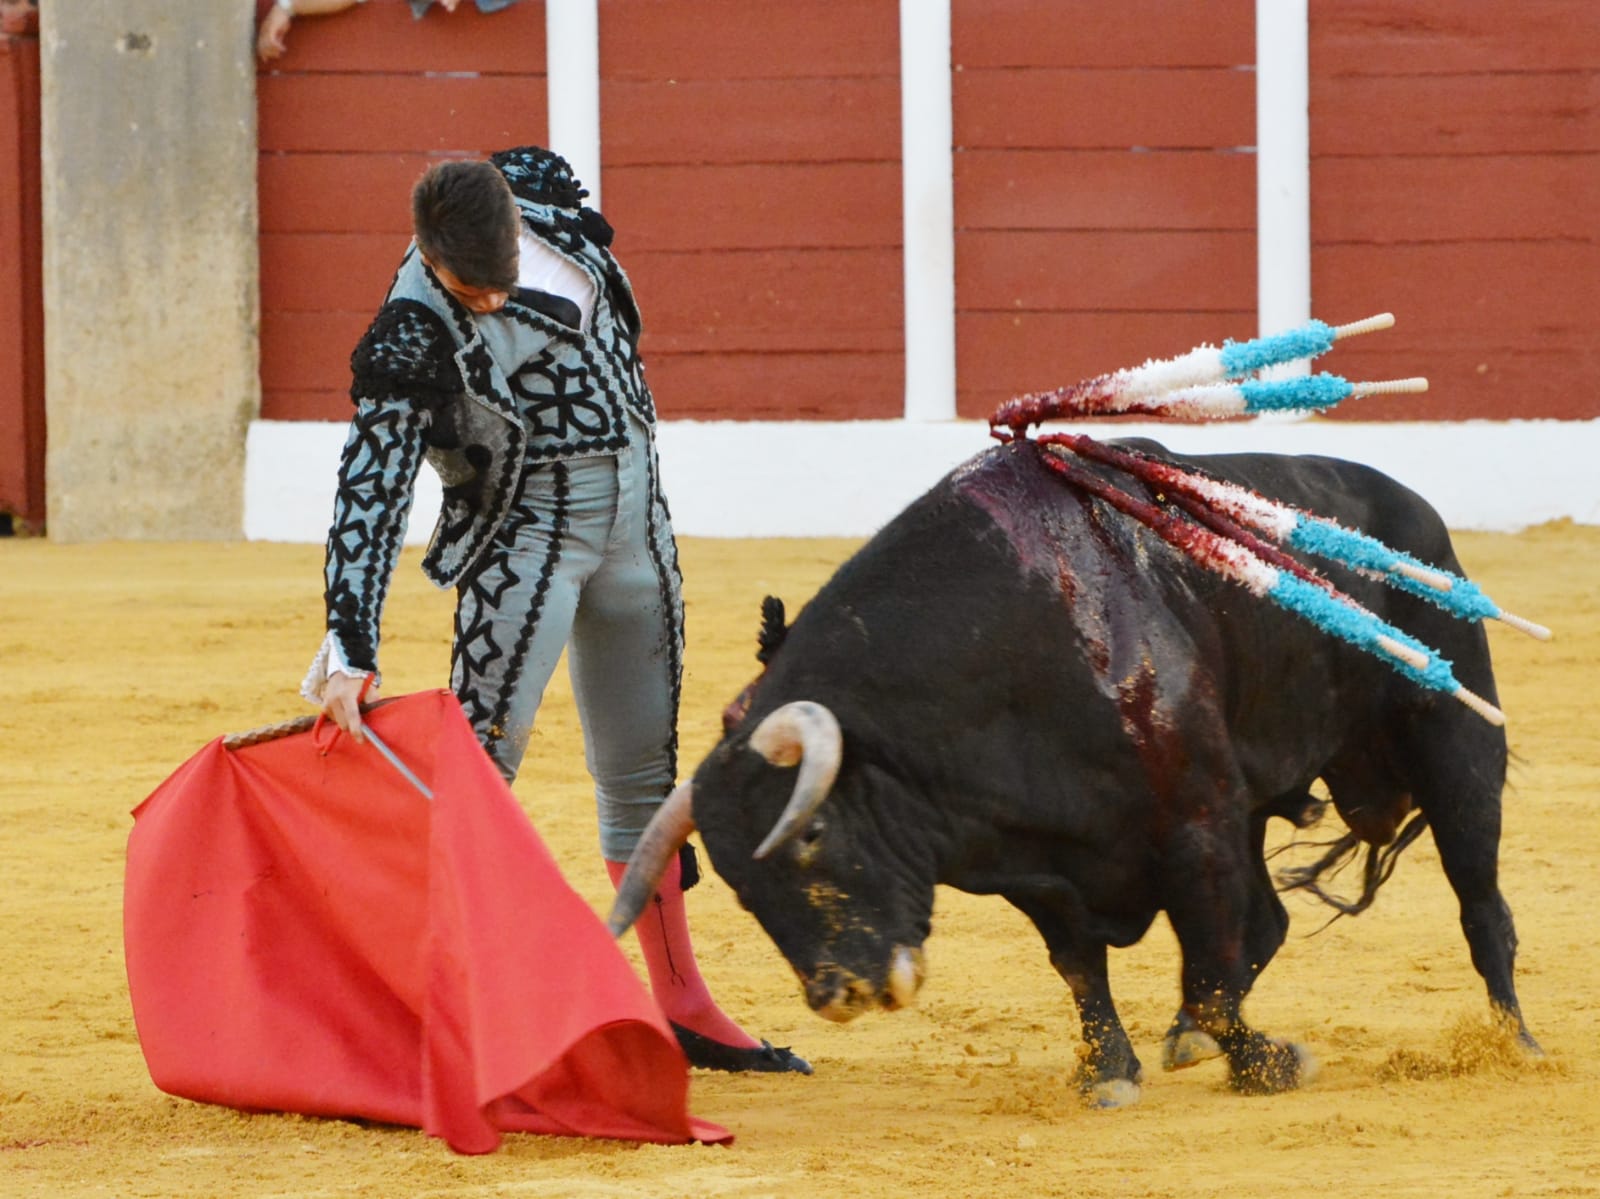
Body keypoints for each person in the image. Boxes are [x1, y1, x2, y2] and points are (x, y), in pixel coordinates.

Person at [302, 146, 810, 1075]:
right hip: (525, 538)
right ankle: (436, 1010)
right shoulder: (411, 325)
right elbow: (371, 483)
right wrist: (349, 641)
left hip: (638, 527)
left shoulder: (544, 205)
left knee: (645, 775)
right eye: (473, 292)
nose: (492, 300)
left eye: (500, 279)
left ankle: (684, 1005)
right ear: (430, 258)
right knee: (477, 776)